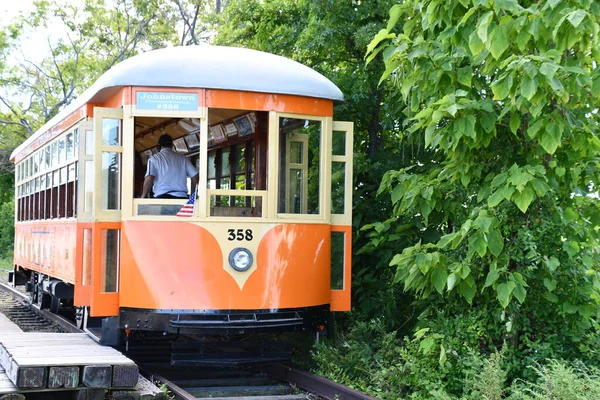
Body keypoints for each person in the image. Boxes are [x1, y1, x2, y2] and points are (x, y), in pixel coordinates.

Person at [141, 134, 199, 199]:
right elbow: (195, 176)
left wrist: (143, 196)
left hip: (162, 198)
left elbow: (149, 178)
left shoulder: (154, 159)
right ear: (172, 145)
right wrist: (193, 195)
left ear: (159, 146)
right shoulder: (183, 158)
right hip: (181, 198)